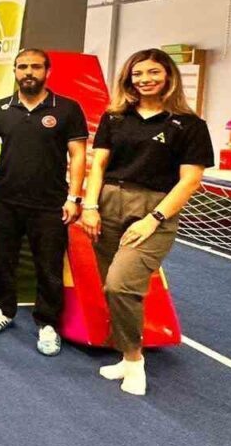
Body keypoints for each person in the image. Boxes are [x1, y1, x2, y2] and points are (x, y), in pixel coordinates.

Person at [81, 49, 213, 395]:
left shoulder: (190, 125)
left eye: (153, 72)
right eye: (137, 74)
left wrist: (153, 219)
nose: (145, 79)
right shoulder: (115, 118)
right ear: (129, 79)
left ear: (168, 76)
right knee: (112, 286)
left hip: (155, 208)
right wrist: (90, 205)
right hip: (109, 203)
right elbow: (99, 164)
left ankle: (135, 360)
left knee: (121, 285)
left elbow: (190, 181)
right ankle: (126, 356)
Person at [0, 48, 89, 356]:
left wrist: (74, 197)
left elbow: (78, 155)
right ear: (15, 71)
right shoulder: (0, 109)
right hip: (6, 200)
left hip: (50, 203)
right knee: (3, 259)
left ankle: (47, 323)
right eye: (22, 67)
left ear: (47, 71)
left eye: (35, 67)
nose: (28, 72)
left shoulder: (67, 109)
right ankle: (4, 309)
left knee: (49, 264)